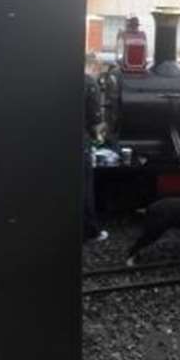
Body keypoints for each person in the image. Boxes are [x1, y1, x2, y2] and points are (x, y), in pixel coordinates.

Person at [83, 55, 108, 242]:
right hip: (81, 141)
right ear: (92, 65)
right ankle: (91, 231)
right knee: (84, 187)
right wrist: (99, 137)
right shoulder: (89, 83)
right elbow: (95, 120)